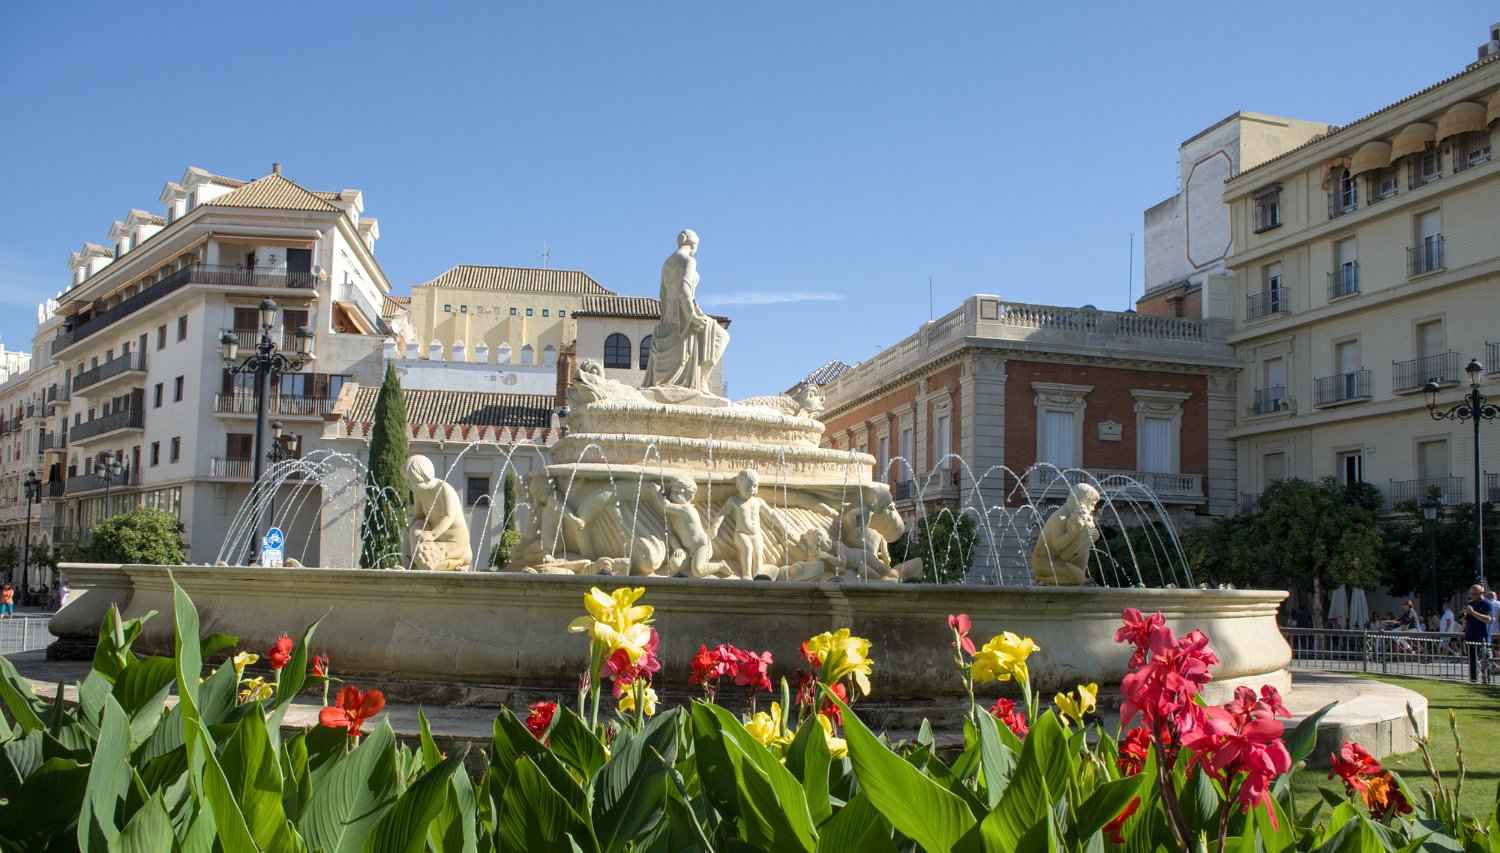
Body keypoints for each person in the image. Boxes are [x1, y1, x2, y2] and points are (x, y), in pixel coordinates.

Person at [642, 229, 730, 395]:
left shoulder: (667, 262)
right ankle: (702, 381)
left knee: (717, 335)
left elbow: (664, 293)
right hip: (684, 318)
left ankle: (700, 381)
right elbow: (684, 289)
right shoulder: (689, 261)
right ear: (693, 244)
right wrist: (693, 316)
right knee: (722, 336)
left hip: (670, 318)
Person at [1461, 584, 1495, 682]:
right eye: (1471, 594)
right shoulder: (1470, 603)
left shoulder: (1487, 604)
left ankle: (1486, 681)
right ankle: (1473, 680)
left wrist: (1473, 612)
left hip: (1482, 637)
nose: (1471, 596)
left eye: (1474, 594)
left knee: (1484, 662)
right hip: (1470, 636)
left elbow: (1488, 619)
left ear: (1481, 593)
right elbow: (1463, 620)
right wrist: (1464, 615)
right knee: (1472, 663)